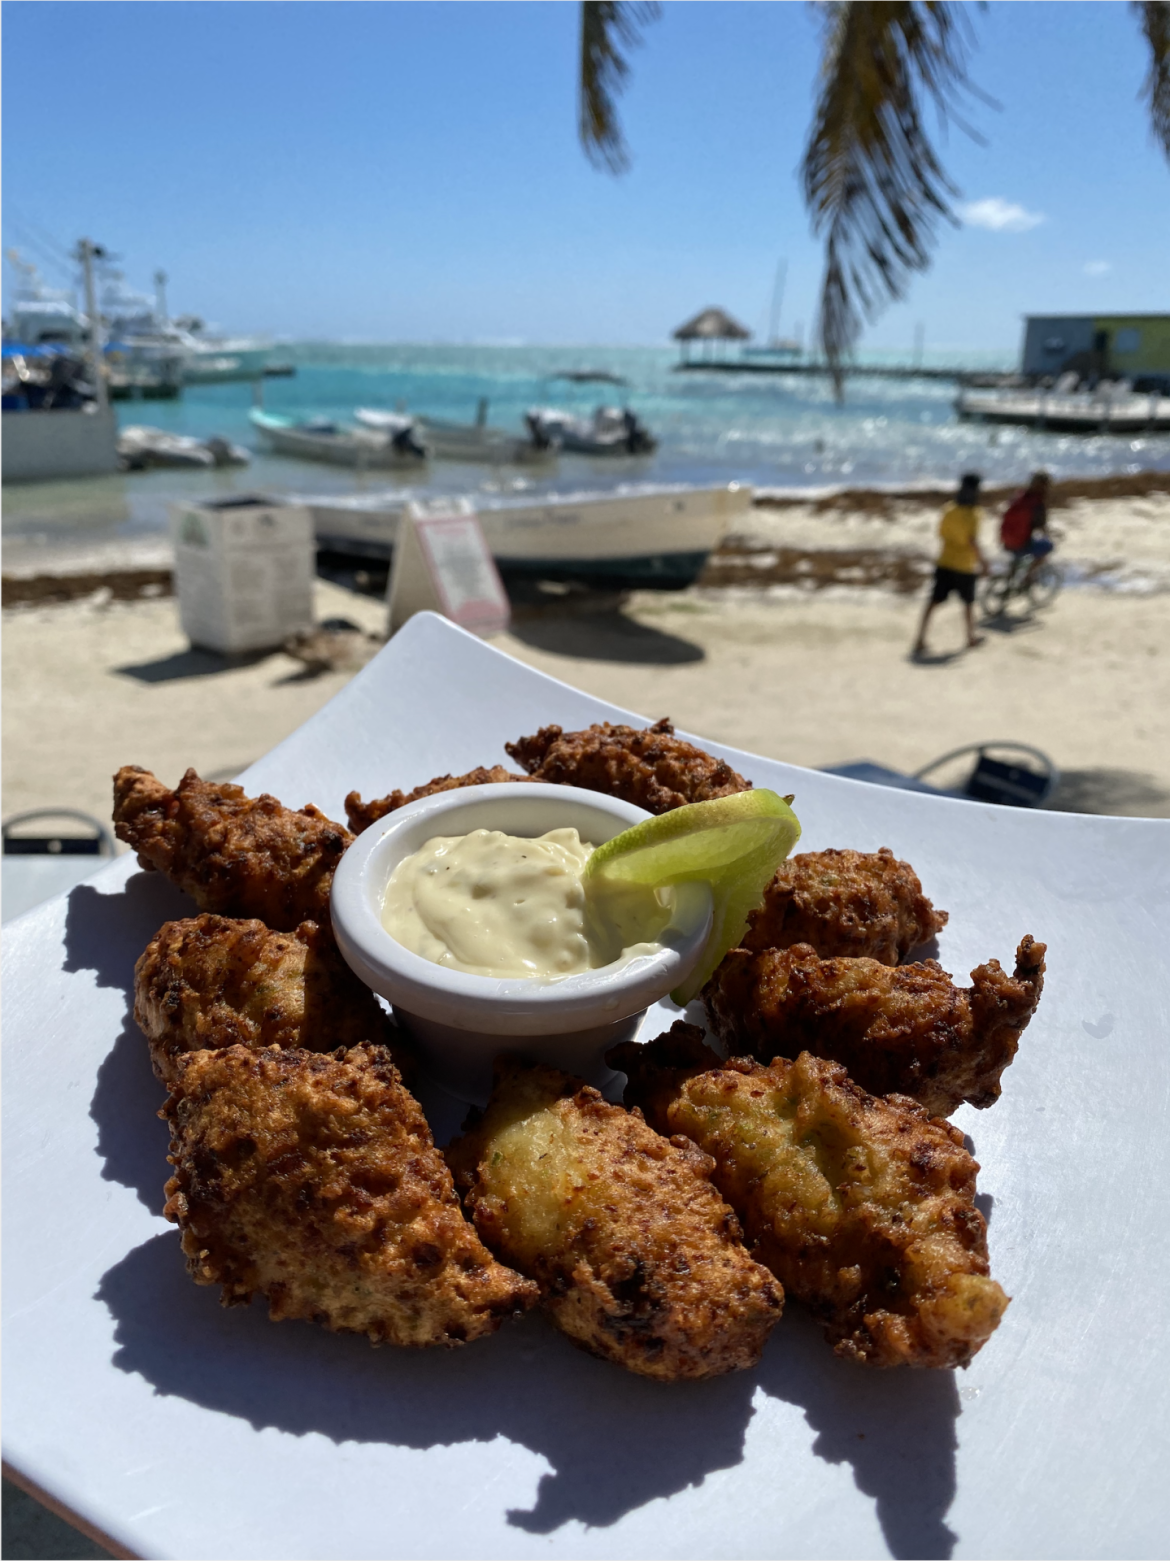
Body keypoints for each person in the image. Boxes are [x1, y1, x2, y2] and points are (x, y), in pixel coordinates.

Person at [912, 472, 987, 657]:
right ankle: (970, 638)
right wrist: (984, 562)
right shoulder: (975, 514)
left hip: (945, 561)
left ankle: (920, 637)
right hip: (964, 564)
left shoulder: (949, 509)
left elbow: (941, 533)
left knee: (933, 602)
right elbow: (972, 541)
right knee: (968, 603)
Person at [999, 470, 1054, 587]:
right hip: (1021, 542)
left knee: (1018, 554)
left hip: (1005, 539)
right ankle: (1028, 576)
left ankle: (1011, 577)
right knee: (1047, 546)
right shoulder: (1037, 503)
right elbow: (1041, 525)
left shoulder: (1019, 496)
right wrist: (1049, 535)